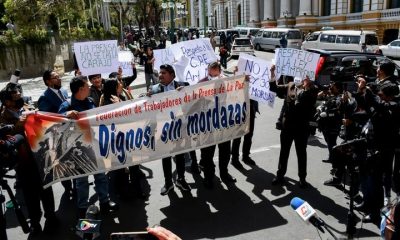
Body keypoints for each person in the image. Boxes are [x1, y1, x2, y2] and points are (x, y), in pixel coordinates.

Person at [0, 83, 59, 236]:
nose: (19, 96)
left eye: (19, 93)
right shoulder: (3, 117)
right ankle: (35, 223)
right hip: (24, 162)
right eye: (15, 95)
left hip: (41, 156)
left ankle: (51, 217)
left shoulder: (27, 107)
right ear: (7, 102)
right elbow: (8, 138)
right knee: (31, 196)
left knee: (47, 190)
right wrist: (20, 123)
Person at [58, 76, 119, 218]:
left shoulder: (90, 101)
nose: (89, 88)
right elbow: (58, 125)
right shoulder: (66, 106)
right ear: (80, 89)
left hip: (95, 146)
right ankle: (83, 207)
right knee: (81, 182)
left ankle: (104, 202)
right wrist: (65, 116)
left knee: (101, 177)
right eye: (87, 86)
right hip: (78, 151)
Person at [269, 66, 318, 188]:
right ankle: (280, 175)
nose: (301, 78)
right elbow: (275, 88)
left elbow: (310, 101)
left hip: (302, 129)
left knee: (301, 153)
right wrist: (272, 73)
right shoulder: (290, 86)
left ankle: (302, 178)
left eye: (305, 77)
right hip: (287, 127)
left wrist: (307, 86)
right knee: (284, 152)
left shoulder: (312, 90)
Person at [147, 64, 191, 195]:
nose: (160, 75)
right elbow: (147, 109)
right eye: (159, 73)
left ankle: (181, 179)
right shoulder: (154, 89)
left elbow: (193, 101)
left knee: (180, 155)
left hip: (179, 127)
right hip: (163, 129)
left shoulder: (184, 85)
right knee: (165, 156)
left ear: (172, 75)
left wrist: (186, 93)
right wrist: (147, 98)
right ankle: (168, 183)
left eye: (164, 73)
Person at [198, 62, 236, 188]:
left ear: (219, 72)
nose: (212, 74)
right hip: (208, 125)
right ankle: (209, 177)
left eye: (215, 73)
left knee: (225, 151)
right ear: (208, 71)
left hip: (223, 123)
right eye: (210, 72)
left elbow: (236, 93)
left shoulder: (226, 81)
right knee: (207, 154)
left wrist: (242, 79)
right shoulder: (201, 82)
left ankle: (224, 174)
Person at [37, 70, 75, 196]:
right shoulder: (44, 97)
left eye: (59, 77)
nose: (59, 79)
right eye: (55, 77)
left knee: (74, 160)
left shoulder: (64, 91)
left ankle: (77, 184)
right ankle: (67, 187)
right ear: (48, 81)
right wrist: (65, 115)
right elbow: (47, 118)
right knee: (63, 163)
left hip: (71, 132)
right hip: (58, 136)